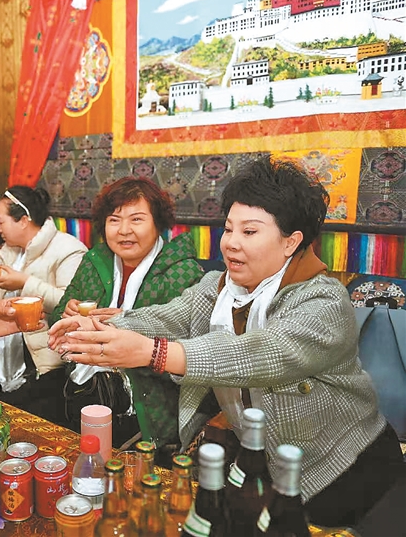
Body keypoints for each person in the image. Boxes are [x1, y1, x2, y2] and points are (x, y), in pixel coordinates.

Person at [48, 156, 404, 528]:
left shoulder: (323, 303)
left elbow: (257, 353)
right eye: (229, 229)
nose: (231, 243)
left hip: (344, 468)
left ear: (291, 242)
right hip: (262, 464)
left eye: (249, 232)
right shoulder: (220, 287)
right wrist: (99, 324)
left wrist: (153, 353)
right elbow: (169, 317)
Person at [51, 177, 204, 451]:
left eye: (136, 220)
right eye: (114, 220)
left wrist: (130, 322)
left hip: (149, 405)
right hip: (84, 388)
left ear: (158, 223)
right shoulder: (94, 261)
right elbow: (56, 319)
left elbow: (193, 353)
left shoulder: (183, 272)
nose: (124, 231)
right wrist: (67, 311)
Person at [0, 186, 87, 425]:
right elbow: (4, 309)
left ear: (23, 220)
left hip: (43, 364)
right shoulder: (9, 252)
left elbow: (71, 304)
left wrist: (25, 282)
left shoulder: (69, 250)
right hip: (0, 356)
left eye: (1, 222)